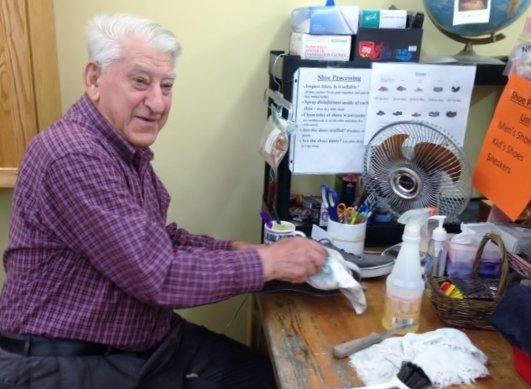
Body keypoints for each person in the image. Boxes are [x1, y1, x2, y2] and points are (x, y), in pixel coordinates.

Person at [0, 13, 327, 389]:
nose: (156, 103)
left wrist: (236, 249)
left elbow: (158, 239)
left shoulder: (122, 150)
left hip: (139, 345)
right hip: (67, 361)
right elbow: (159, 275)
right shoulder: (73, 156)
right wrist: (266, 262)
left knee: (269, 376)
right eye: (140, 82)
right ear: (94, 79)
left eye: (166, 86)